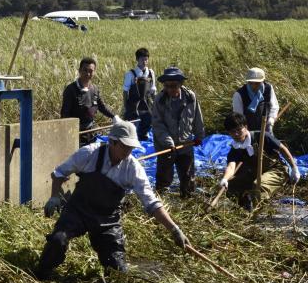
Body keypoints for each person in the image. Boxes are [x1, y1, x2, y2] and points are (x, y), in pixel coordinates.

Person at [36, 120, 187, 279]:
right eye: (124, 146)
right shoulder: (89, 153)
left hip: (107, 219)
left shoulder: (133, 168)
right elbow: (59, 173)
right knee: (57, 241)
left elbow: (151, 202)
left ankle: (113, 263)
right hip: (78, 210)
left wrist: (174, 229)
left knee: (117, 271)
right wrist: (54, 197)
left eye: (131, 148)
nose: (128, 151)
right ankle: (41, 273)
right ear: (112, 142)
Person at [218, 113, 300, 210]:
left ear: (246, 127)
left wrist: (294, 168)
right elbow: (231, 166)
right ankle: (245, 205)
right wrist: (225, 179)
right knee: (231, 186)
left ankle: (254, 210)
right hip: (255, 173)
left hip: (276, 170)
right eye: (232, 132)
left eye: (239, 130)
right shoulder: (235, 148)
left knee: (258, 185)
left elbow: (283, 149)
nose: (236, 134)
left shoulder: (261, 136)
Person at [151, 67, 205, 197]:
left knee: (187, 177)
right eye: (167, 86)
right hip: (166, 147)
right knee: (164, 178)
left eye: (174, 86)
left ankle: (187, 200)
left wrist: (199, 135)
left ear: (180, 84)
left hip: (185, 144)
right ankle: (160, 203)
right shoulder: (160, 100)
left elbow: (197, 117)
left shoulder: (190, 97)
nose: (170, 89)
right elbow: (157, 125)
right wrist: (168, 142)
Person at [60, 57, 119, 145]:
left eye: (91, 71)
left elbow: (102, 107)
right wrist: (68, 134)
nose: (88, 73)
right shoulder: (70, 90)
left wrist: (114, 117)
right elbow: (65, 114)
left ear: (94, 72)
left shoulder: (94, 89)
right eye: (85, 70)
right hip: (76, 133)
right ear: (79, 71)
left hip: (91, 131)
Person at [122, 47, 156, 141]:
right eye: (142, 59)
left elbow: (153, 89)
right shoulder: (131, 74)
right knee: (132, 128)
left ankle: (143, 137)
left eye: (146, 59)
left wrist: (155, 103)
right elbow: (125, 91)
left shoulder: (151, 73)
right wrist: (126, 106)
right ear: (137, 59)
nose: (145, 62)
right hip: (134, 105)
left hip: (146, 104)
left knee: (147, 123)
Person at [231, 67, 280, 134]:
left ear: (262, 81)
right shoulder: (239, 94)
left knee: (269, 143)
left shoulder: (268, 88)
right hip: (247, 130)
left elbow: (274, 106)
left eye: (257, 83)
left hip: (266, 127)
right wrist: (245, 131)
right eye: (251, 83)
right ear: (247, 81)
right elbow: (238, 117)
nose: (253, 86)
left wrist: (270, 121)